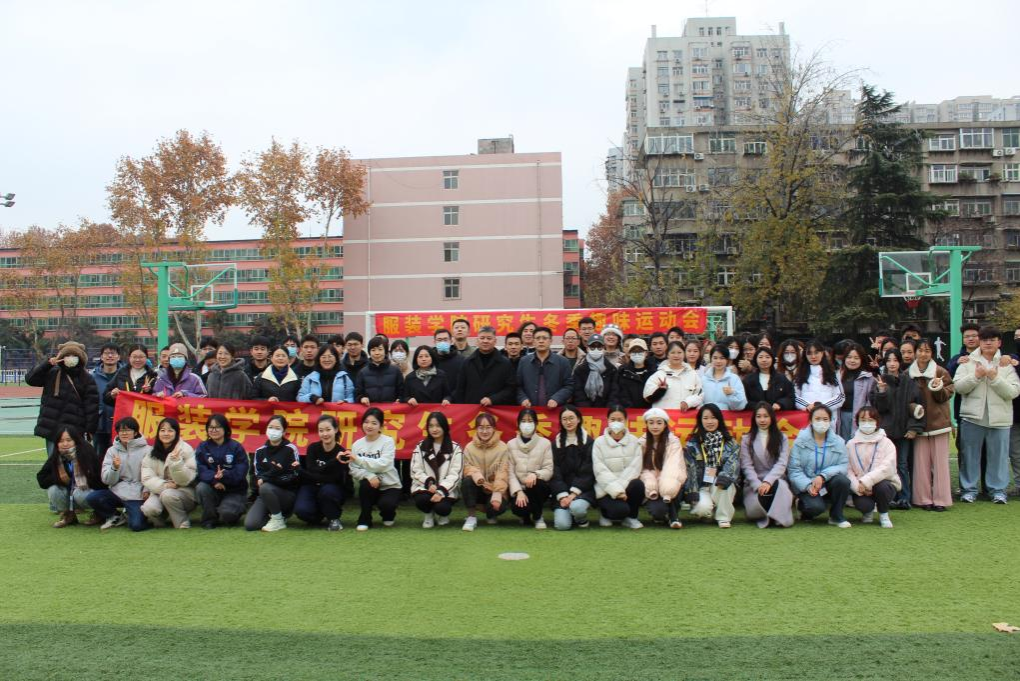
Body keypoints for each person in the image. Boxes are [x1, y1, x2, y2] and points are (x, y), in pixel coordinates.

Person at [954, 326, 1020, 504]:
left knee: (998, 458)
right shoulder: (968, 362)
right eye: (985, 340)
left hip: (1000, 419)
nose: (988, 343)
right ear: (980, 342)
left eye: (992, 340)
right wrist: (975, 376)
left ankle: (998, 491)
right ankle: (969, 490)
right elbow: (958, 387)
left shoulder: (1006, 363)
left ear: (999, 342)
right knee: (970, 457)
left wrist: (994, 378)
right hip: (972, 417)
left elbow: (1013, 392)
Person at [871, 349, 924, 509]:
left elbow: (918, 407)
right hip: (885, 432)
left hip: (904, 431)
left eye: (895, 360)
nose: (892, 364)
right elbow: (879, 409)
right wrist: (881, 391)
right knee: (885, 465)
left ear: (900, 362)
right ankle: (888, 497)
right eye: (889, 360)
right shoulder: (880, 381)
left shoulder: (909, 382)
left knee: (902, 465)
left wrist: (914, 428)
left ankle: (904, 497)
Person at [25, 341, 100, 455]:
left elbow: (92, 406)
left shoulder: (87, 378)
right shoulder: (52, 372)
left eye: (74, 355)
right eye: (67, 355)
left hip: (75, 430)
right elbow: (31, 379)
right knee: (54, 461)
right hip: (52, 428)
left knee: (74, 462)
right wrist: (47, 364)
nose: (71, 358)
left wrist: (90, 430)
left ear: (80, 358)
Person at [787, 404, 852, 528]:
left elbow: (843, 466)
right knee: (815, 508)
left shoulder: (838, 442)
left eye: (825, 419)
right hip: (806, 484)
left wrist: (823, 476)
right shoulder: (800, 441)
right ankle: (803, 507)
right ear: (810, 420)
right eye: (817, 419)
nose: (821, 422)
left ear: (830, 421)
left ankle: (836, 516)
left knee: (843, 481)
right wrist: (808, 486)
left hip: (827, 481)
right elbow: (794, 470)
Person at [909, 338, 954, 511]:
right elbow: (905, 399)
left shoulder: (940, 371)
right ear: (915, 352)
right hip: (919, 424)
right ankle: (923, 499)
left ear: (932, 353)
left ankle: (941, 500)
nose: (923, 354)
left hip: (939, 423)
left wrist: (938, 387)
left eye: (927, 351)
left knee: (940, 463)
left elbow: (947, 395)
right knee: (921, 464)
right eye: (920, 350)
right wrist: (914, 408)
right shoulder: (908, 374)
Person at [87, 417, 151, 531]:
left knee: (136, 526)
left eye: (128, 430)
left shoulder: (148, 450)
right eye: (121, 431)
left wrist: (147, 489)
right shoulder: (112, 450)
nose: (124, 433)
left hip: (138, 493)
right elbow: (106, 480)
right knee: (93, 497)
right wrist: (114, 468)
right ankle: (115, 515)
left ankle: (137, 515)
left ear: (136, 432)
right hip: (118, 491)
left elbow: (152, 472)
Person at [683, 404, 740, 528]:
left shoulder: (730, 442)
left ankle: (723, 517)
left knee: (724, 485)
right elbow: (690, 469)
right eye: (706, 418)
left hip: (719, 483)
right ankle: (710, 510)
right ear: (700, 420)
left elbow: (733, 463)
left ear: (719, 419)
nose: (710, 422)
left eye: (713, 418)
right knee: (702, 510)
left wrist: (723, 478)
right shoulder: (693, 443)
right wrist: (692, 491)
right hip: (702, 486)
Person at [739, 403, 794, 528]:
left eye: (766, 416)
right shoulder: (746, 439)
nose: (762, 420)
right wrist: (757, 485)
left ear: (772, 418)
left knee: (780, 489)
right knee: (755, 509)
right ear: (754, 419)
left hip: (776, 481)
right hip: (754, 483)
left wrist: (768, 482)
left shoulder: (782, 438)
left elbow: (781, 463)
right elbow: (746, 466)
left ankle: (778, 517)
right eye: (759, 416)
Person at [36, 425, 103, 527]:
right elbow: (41, 479)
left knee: (79, 494)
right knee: (54, 490)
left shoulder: (86, 451)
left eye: (68, 440)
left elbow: (100, 479)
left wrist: (81, 480)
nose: (65, 444)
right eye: (61, 441)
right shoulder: (56, 455)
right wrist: (61, 478)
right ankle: (69, 515)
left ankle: (99, 513)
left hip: (89, 492)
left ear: (75, 440)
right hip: (69, 494)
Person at [245, 415, 302, 532]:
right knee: (251, 525)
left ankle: (278, 519)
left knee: (266, 487)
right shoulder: (260, 451)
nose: (273, 431)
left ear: (284, 431)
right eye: (270, 427)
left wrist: (270, 477)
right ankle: (275, 515)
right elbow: (259, 479)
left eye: (277, 428)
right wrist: (276, 473)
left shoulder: (290, 449)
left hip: (286, 493)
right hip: (265, 494)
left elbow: (293, 476)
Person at [845, 406, 899, 528]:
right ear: (857, 422)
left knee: (882, 487)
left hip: (882, 484)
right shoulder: (850, 444)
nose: (866, 423)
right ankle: (867, 512)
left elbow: (887, 468)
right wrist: (857, 485)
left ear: (877, 422)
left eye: (870, 420)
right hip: (861, 487)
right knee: (863, 505)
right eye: (863, 420)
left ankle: (884, 514)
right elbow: (848, 469)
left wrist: (867, 481)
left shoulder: (886, 443)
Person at [347, 408, 401, 530]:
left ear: (381, 426)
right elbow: (353, 468)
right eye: (366, 422)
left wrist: (359, 459)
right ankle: (365, 519)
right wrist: (369, 475)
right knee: (365, 485)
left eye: (374, 423)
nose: (369, 426)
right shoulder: (357, 444)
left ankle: (388, 514)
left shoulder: (388, 442)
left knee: (387, 505)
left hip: (389, 484)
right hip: (370, 484)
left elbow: (384, 464)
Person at [294, 415, 350, 532]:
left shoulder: (342, 453)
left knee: (328, 491)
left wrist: (302, 471)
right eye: (321, 430)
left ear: (335, 430)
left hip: (332, 488)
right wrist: (334, 462)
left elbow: (334, 479)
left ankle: (334, 518)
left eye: (328, 430)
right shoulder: (312, 448)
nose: (325, 434)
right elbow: (312, 471)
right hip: (311, 486)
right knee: (301, 511)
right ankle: (319, 516)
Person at [592, 405, 644, 529]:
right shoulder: (599, 442)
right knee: (619, 511)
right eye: (613, 419)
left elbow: (635, 468)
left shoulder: (634, 441)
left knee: (638, 484)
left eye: (620, 420)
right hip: (606, 489)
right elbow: (600, 471)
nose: (616, 423)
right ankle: (605, 514)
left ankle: (631, 517)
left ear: (626, 421)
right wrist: (616, 491)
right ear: (607, 420)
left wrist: (621, 489)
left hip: (626, 487)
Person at [140, 418, 197, 529]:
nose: (166, 433)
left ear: (176, 433)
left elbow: (187, 478)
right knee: (149, 509)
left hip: (184, 492)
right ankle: (160, 521)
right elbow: (147, 478)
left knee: (168, 495)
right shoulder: (151, 453)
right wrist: (165, 485)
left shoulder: (186, 449)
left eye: (170, 430)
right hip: (160, 491)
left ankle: (182, 523)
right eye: (162, 430)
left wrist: (176, 463)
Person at [194, 414, 249, 529]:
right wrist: (215, 480)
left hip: (234, 490)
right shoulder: (203, 447)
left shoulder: (236, 447)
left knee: (228, 516)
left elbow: (241, 471)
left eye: (218, 427)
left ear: (225, 429)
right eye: (211, 427)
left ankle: (231, 509)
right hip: (213, 487)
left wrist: (224, 476)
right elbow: (200, 468)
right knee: (201, 487)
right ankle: (209, 519)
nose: (214, 430)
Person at [410, 412, 463, 528]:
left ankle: (442, 515)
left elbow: (455, 474)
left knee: (442, 508)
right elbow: (415, 470)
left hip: (446, 489)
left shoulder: (455, 448)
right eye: (431, 426)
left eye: (438, 426)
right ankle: (428, 514)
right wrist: (429, 483)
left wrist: (441, 491)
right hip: (426, 487)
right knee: (422, 500)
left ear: (445, 427)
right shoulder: (420, 446)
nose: (434, 429)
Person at [461, 412, 511, 531]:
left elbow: (503, 472)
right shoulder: (469, 447)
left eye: (488, 427)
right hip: (478, 486)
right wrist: (477, 476)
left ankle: (491, 514)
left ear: (494, 428)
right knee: (467, 481)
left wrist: (497, 493)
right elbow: (467, 468)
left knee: (496, 508)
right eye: (481, 428)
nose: (484, 431)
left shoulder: (503, 447)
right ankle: (471, 517)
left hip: (495, 489)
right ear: (476, 429)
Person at [507, 408, 554, 529]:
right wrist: (518, 491)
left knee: (536, 484)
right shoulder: (511, 444)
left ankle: (538, 517)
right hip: (520, 488)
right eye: (523, 421)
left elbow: (549, 469)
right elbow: (510, 473)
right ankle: (525, 516)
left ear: (536, 423)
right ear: (518, 423)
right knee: (518, 508)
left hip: (538, 487)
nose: (526, 424)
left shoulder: (545, 443)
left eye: (530, 421)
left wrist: (535, 474)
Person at [638, 407, 685, 528]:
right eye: (651, 423)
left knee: (675, 482)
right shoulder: (641, 443)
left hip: (670, 482)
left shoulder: (673, 442)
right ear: (646, 424)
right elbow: (641, 469)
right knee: (658, 511)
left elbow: (673, 467)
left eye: (659, 423)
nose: (655, 426)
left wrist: (664, 485)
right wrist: (652, 485)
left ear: (665, 425)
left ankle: (674, 516)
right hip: (651, 485)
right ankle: (662, 515)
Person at [550, 405, 595, 530]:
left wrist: (572, 495)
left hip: (582, 491)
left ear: (579, 419)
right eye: (564, 419)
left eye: (571, 418)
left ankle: (580, 518)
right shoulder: (555, 444)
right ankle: (570, 513)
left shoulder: (589, 442)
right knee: (562, 525)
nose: (568, 422)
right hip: (562, 493)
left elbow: (588, 472)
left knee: (577, 508)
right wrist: (563, 496)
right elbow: (555, 472)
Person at [455, 325, 516, 406]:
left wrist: (493, 399)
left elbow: (511, 389)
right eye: (482, 338)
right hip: (472, 409)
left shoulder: (505, 363)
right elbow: (460, 390)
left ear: (495, 341)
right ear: (477, 341)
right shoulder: (467, 362)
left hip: (496, 409)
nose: (485, 341)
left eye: (489, 338)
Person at [516, 326, 574, 409]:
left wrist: (557, 399)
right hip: (530, 411)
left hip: (555, 411)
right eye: (538, 338)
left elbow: (569, 386)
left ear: (550, 341)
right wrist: (522, 398)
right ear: (533, 341)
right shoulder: (524, 361)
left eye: (544, 338)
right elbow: (518, 386)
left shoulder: (563, 362)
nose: (541, 341)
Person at [643, 341, 703, 411]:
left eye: (679, 352)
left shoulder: (692, 374)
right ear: (667, 355)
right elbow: (647, 397)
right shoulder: (659, 375)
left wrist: (688, 402)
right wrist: (659, 391)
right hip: (663, 416)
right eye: (672, 353)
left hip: (685, 416)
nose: (676, 355)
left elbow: (700, 394)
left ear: (684, 354)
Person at [836, 342, 876, 440]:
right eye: (849, 357)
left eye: (856, 358)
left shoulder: (868, 377)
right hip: (841, 416)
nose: (852, 361)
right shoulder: (837, 376)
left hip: (861, 417)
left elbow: (869, 401)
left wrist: (865, 417)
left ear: (861, 360)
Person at [103, 344, 157, 413]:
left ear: (146, 358)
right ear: (129, 357)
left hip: (144, 415)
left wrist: (148, 391)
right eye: (134, 357)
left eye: (141, 357)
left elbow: (157, 400)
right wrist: (112, 395)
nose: (137, 360)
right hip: (124, 415)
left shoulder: (152, 376)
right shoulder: (121, 373)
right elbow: (105, 397)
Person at [794, 339, 844, 412]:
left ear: (822, 353)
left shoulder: (832, 373)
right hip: (806, 415)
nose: (813, 356)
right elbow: (794, 395)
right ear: (805, 355)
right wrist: (807, 405)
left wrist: (823, 406)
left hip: (828, 415)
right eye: (809, 353)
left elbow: (840, 397)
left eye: (816, 352)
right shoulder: (799, 374)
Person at [91, 342, 122, 460]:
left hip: (121, 424)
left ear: (118, 357)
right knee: (99, 458)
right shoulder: (92, 376)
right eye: (106, 353)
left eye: (113, 353)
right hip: (99, 425)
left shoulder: (125, 375)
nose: (110, 356)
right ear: (101, 356)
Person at [743, 347, 795, 413]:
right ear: (755, 359)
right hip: (756, 415)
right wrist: (759, 406)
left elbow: (790, 397)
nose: (764, 360)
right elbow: (744, 400)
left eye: (767, 357)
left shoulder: (781, 378)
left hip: (778, 415)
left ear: (772, 359)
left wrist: (780, 404)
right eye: (760, 357)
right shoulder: (748, 379)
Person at [572, 333, 617, 408]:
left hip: (606, 410)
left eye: (599, 347)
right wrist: (587, 410)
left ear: (603, 348)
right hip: (585, 410)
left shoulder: (611, 369)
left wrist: (608, 409)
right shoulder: (580, 370)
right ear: (587, 348)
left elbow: (614, 393)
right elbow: (578, 393)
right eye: (592, 347)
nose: (596, 349)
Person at [356, 336, 404, 404]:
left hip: (391, 409)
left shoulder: (396, 371)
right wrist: (361, 398)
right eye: (373, 350)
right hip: (370, 409)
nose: (377, 353)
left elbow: (402, 392)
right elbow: (357, 393)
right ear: (369, 352)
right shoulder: (362, 373)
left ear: (385, 351)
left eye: (380, 349)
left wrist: (400, 399)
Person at [610, 338, 654, 409]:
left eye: (640, 351)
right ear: (629, 353)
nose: (637, 354)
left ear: (646, 353)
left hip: (649, 412)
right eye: (634, 351)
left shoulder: (653, 372)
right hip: (627, 412)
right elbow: (616, 393)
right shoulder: (622, 371)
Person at [701, 346, 748, 411]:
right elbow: (699, 400)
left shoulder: (734, 379)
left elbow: (741, 405)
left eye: (722, 358)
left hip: (726, 416)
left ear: (727, 360)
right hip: (707, 416)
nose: (718, 361)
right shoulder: (704, 379)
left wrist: (731, 394)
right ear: (711, 359)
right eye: (715, 358)